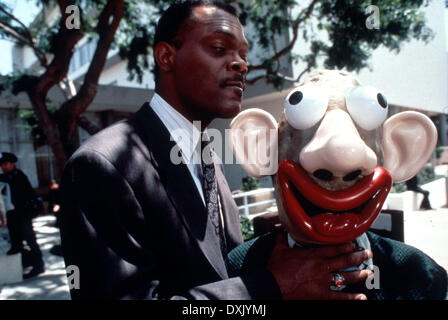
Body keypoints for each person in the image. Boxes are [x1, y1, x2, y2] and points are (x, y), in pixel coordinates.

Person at [60, 0, 370, 300]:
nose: (240, 65)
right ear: (166, 57)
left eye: (243, 54)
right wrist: (269, 288)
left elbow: (218, 264)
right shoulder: (100, 165)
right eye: (220, 49)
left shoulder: (205, 153)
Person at [0, 152, 45, 279]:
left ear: (12, 164)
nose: (3, 167)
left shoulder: (18, 176)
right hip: (13, 215)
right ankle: (24, 264)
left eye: (5, 164)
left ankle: (38, 266)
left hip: (23, 213)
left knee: (29, 239)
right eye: (1, 165)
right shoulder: (6, 176)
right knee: (15, 242)